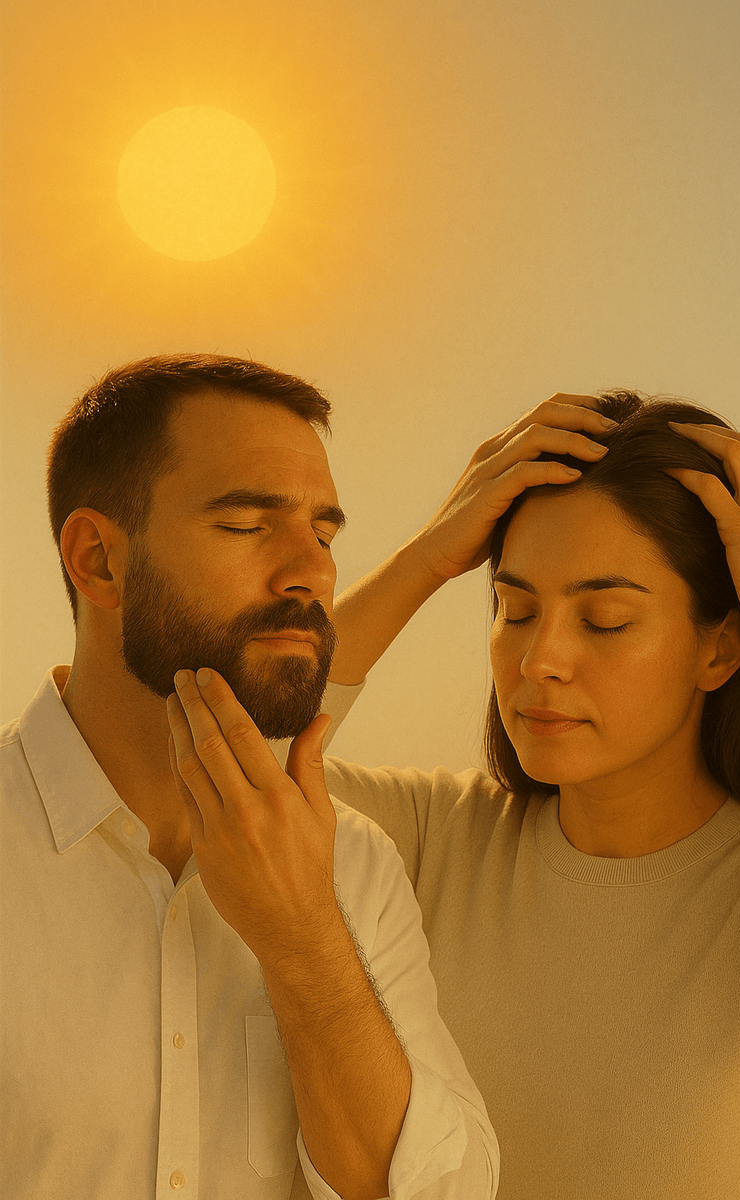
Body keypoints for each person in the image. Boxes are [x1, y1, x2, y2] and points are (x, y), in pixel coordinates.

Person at [0, 353, 520, 1200]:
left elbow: (438, 1193)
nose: (311, 573)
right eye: (247, 526)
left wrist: (304, 936)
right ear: (98, 559)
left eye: (323, 533)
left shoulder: (352, 863)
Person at [322, 390, 740, 1199]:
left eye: (605, 620)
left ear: (718, 653)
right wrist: (429, 557)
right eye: (514, 610)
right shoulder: (431, 838)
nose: (540, 659)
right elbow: (208, 764)